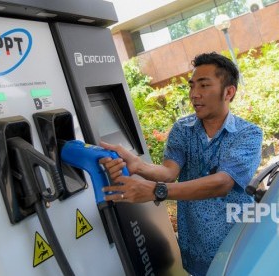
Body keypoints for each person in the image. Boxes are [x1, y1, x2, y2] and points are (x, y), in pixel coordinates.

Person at [99, 52, 262, 276]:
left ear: (229, 92)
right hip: (198, 249)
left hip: (241, 243)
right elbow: (169, 171)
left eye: (204, 86)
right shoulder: (183, 129)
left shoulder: (248, 134)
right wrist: (138, 166)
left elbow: (222, 183)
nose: (194, 94)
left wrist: (158, 191)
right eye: (192, 86)